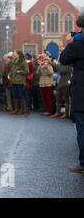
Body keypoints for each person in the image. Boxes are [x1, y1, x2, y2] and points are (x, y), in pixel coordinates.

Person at [59, 12, 84, 173]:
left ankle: (83, 162)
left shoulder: (77, 44)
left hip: (81, 91)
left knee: (81, 127)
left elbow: (63, 59)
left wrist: (71, 42)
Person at [8, 50, 29, 115]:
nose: (14, 54)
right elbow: (12, 70)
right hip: (13, 81)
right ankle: (16, 109)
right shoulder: (15, 61)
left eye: (15, 53)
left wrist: (19, 72)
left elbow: (27, 71)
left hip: (20, 82)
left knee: (20, 96)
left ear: (19, 54)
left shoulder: (23, 62)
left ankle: (21, 109)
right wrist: (9, 74)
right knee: (15, 96)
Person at [52, 51, 72, 119]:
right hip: (60, 83)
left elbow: (61, 71)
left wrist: (57, 65)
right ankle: (58, 112)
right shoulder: (62, 65)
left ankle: (66, 113)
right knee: (58, 98)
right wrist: (54, 64)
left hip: (65, 84)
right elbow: (56, 70)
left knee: (66, 99)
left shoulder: (68, 66)